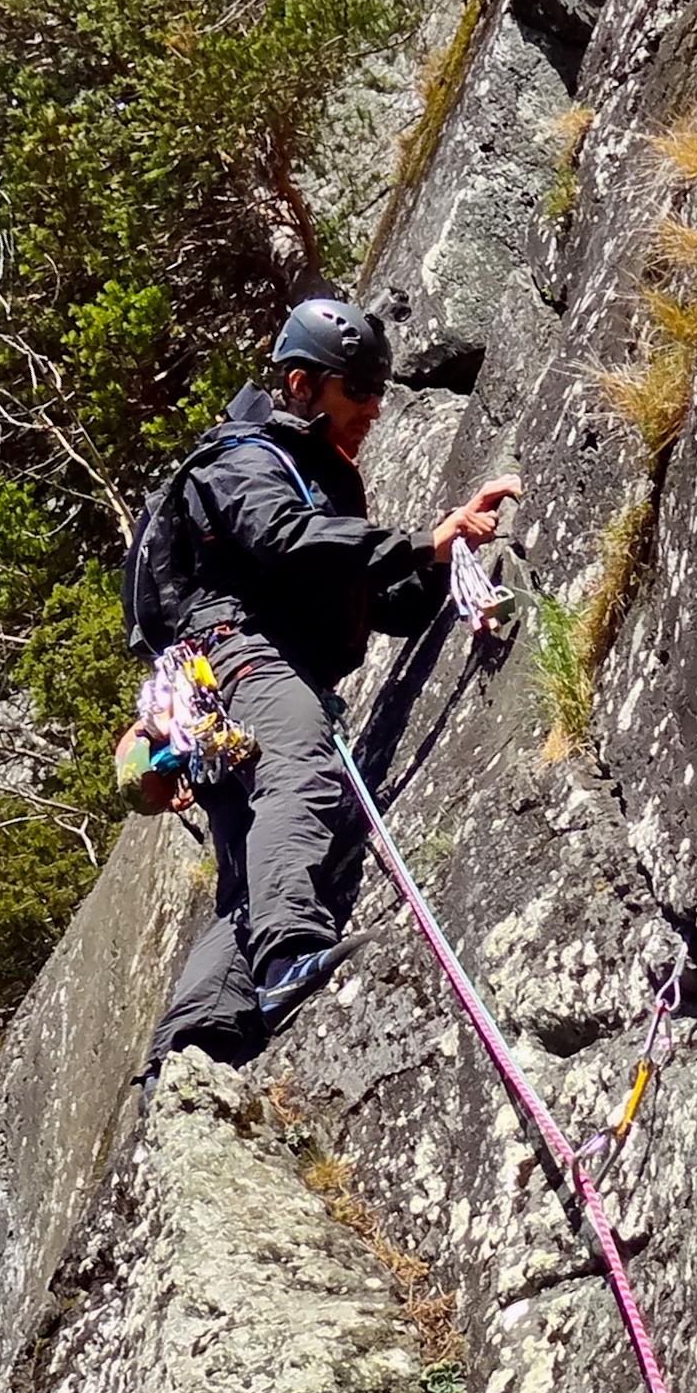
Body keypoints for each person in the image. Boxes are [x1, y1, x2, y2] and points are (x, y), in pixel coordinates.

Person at [133, 298, 518, 1069]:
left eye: (378, 391)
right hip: (241, 657)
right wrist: (416, 539)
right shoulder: (239, 458)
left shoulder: (318, 481)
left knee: (246, 875)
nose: (374, 408)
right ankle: (287, 955)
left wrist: (439, 555)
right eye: (358, 390)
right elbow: (283, 539)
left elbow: (383, 605)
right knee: (301, 778)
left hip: (232, 682)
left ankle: (187, 1049)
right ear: (304, 383)